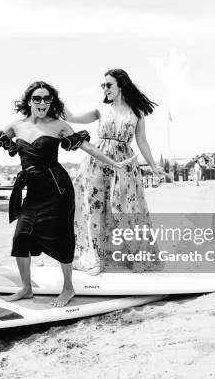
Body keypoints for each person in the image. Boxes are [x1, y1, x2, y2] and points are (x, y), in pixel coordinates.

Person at [0, 81, 132, 307]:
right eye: (37, 99)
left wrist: (114, 163)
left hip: (57, 189)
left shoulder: (58, 125)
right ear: (29, 101)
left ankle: (68, 287)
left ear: (52, 102)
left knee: (61, 236)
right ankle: (26, 288)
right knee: (21, 236)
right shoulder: (17, 126)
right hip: (33, 190)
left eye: (47, 99)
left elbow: (87, 148)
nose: (42, 103)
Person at [63, 68, 165, 275]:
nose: (105, 89)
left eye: (108, 85)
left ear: (121, 85)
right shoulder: (101, 109)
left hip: (125, 163)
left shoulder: (137, 111)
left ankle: (134, 257)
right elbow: (72, 117)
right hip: (98, 161)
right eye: (103, 85)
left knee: (127, 209)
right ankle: (98, 258)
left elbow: (142, 141)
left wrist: (154, 166)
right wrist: (55, 98)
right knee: (95, 209)